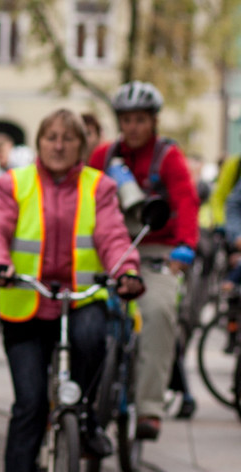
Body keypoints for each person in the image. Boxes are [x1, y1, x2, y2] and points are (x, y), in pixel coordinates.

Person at [0, 109, 145, 472]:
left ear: (81, 146)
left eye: (67, 138)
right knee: (30, 405)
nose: (58, 144)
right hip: (26, 303)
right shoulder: (12, 183)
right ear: (38, 142)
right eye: (50, 136)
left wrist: (126, 270)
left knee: (95, 337)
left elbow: (112, 236)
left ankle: (86, 417)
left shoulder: (100, 186)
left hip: (79, 299)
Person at [88, 81, 200, 441]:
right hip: (110, 250)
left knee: (158, 312)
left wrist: (185, 246)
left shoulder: (168, 157)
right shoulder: (103, 156)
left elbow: (186, 202)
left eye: (140, 120)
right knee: (83, 316)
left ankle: (150, 408)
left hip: (157, 252)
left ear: (153, 121)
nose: (132, 127)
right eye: (126, 120)